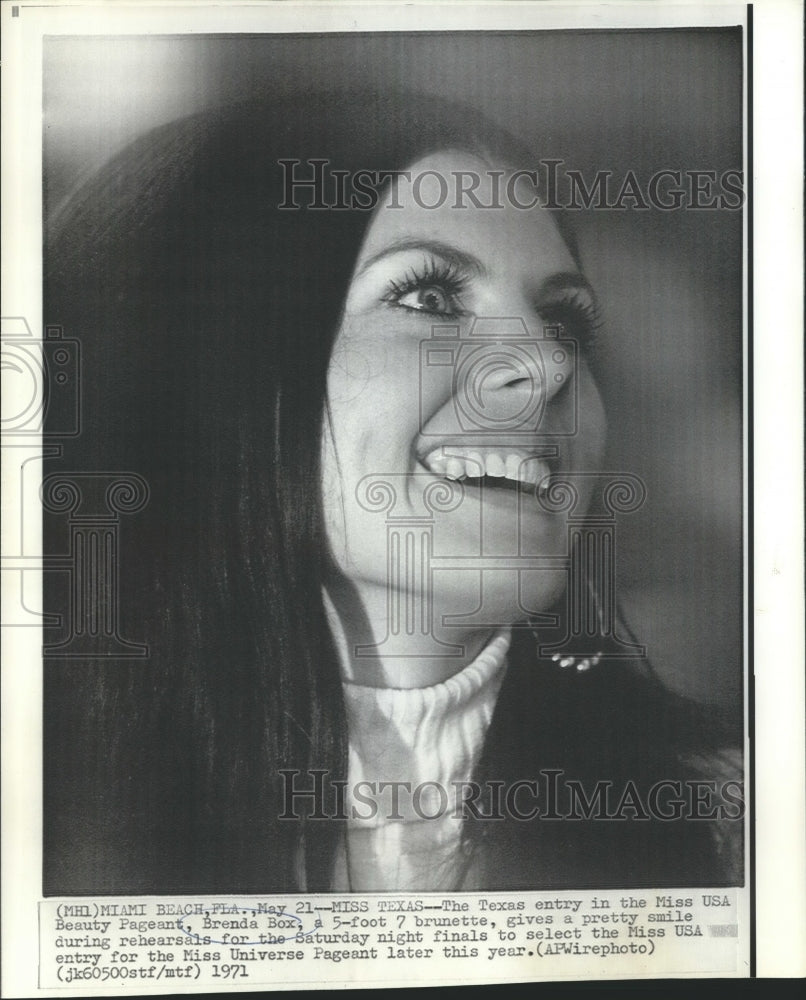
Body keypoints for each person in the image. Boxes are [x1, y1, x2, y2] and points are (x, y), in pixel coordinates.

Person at [43, 90, 742, 895]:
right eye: (431, 298)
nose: (550, 366)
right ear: (205, 370)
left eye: (566, 323)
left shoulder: (743, 836)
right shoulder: (40, 829)